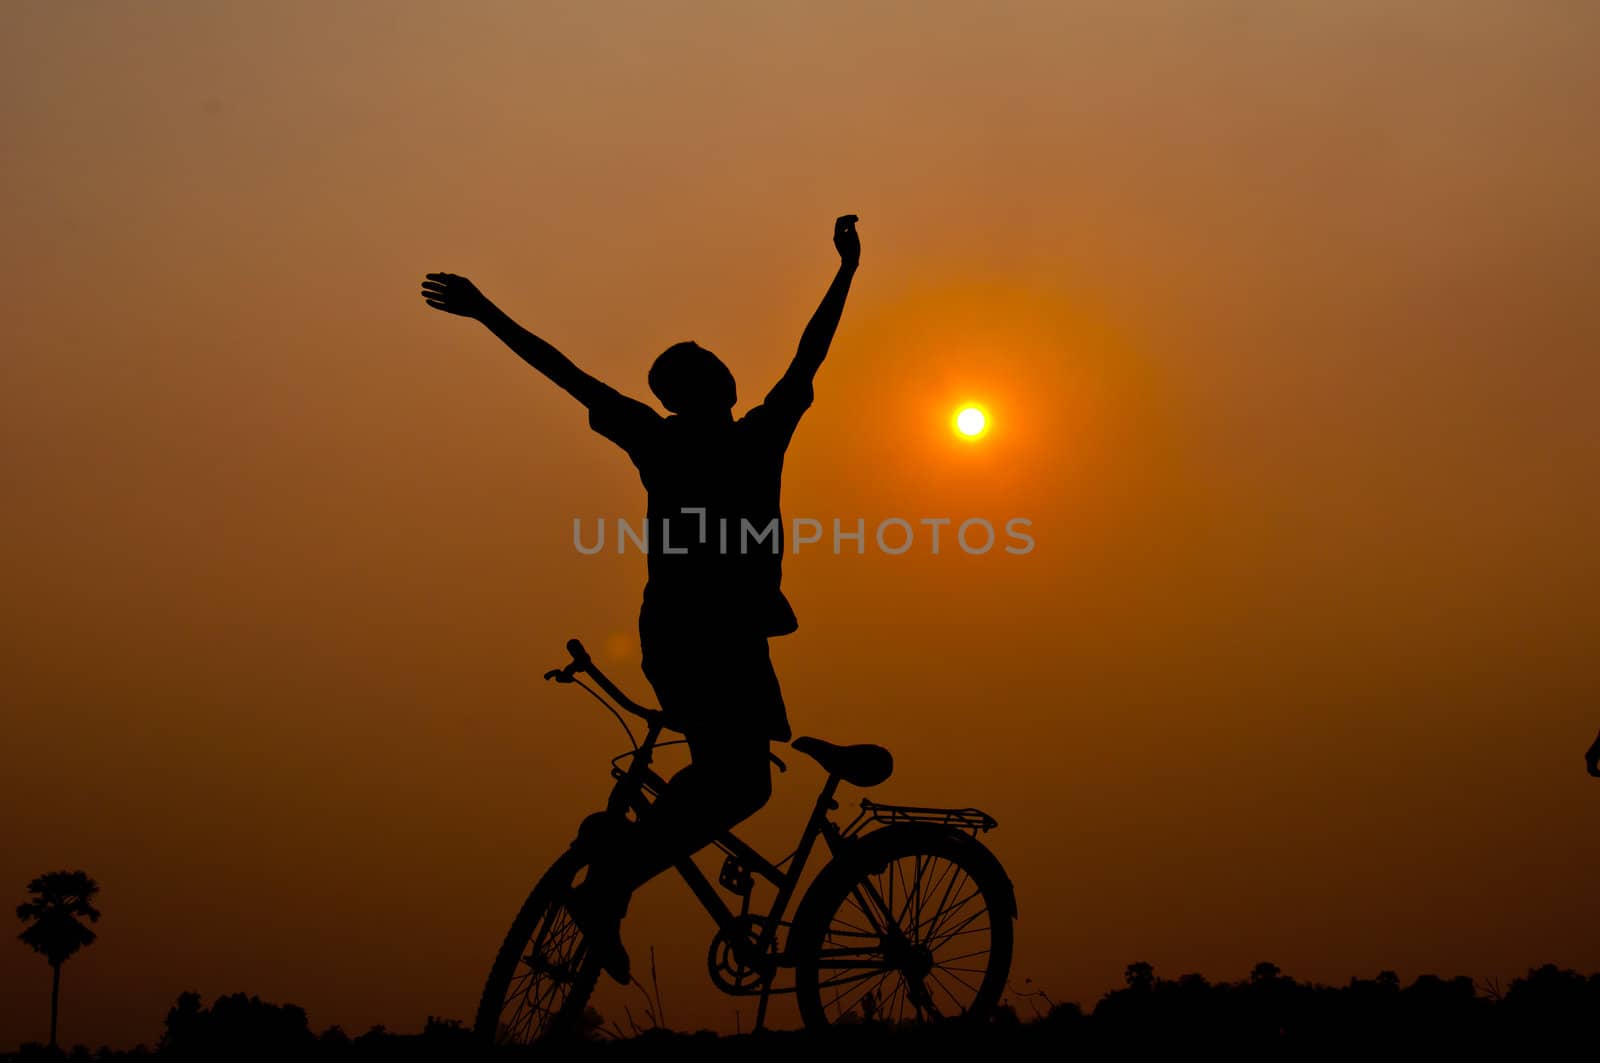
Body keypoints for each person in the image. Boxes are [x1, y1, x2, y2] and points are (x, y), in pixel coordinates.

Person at [420, 214, 861, 981]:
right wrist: (846, 270)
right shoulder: (756, 435)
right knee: (742, 781)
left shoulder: (659, 438)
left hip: (684, 636)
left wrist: (487, 310)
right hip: (719, 640)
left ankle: (616, 860)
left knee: (727, 775)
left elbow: (563, 372)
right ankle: (615, 877)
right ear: (717, 388)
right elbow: (809, 352)